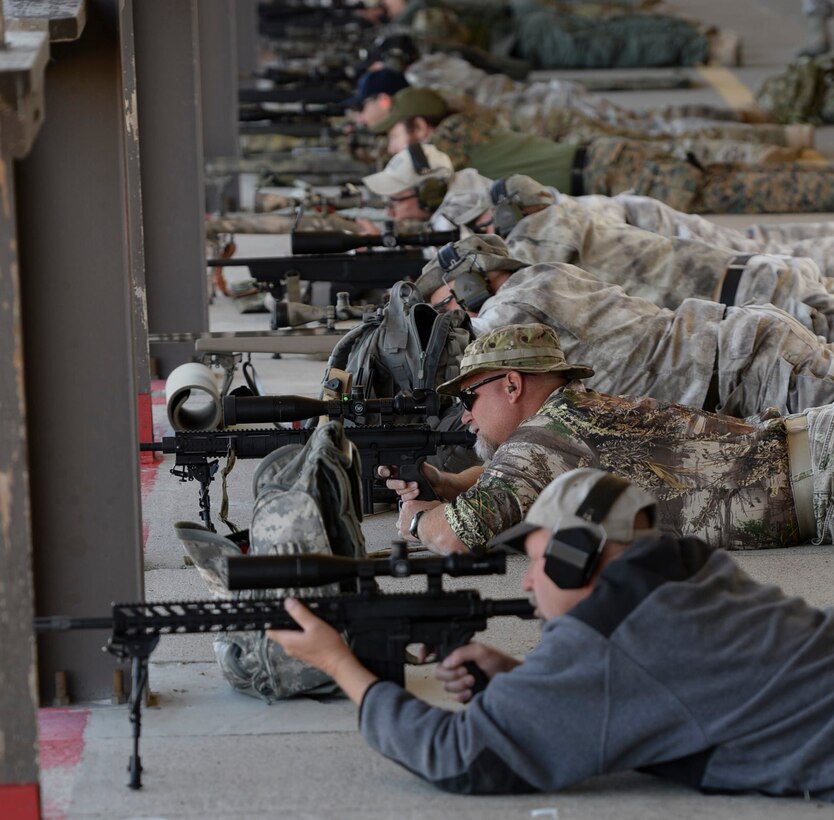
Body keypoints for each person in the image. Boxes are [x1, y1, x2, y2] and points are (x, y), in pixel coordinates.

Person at [267, 467, 834, 799]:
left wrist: (339, 664)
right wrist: (530, 680)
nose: (531, 578)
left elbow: (457, 756)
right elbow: (650, 688)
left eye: (537, 559)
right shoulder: (692, 569)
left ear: (576, 557)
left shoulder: (611, 640)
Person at [383, 321, 834, 554]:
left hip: (822, 475)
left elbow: (458, 537)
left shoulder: (539, 440)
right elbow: (533, 480)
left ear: (512, 385)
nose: (464, 418)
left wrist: (419, 519)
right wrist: (453, 484)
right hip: (813, 453)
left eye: (468, 400)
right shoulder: (566, 418)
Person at [414, 234, 834, 417]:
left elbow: (469, 359)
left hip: (751, 367)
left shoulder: (514, 307)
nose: (456, 319)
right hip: (748, 351)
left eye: (448, 304)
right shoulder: (543, 275)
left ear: (470, 282)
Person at [371, 86, 834, 214]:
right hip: (611, 165)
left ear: (418, 126)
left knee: (754, 193)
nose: (393, 146)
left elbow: (422, 172)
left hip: (611, 173)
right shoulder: (467, 132)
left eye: (394, 135)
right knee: (736, 184)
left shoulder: (452, 140)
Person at [486, 174, 834, 340]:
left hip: (759, 295)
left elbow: (527, 271)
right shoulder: (571, 217)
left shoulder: (548, 239)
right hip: (757, 281)